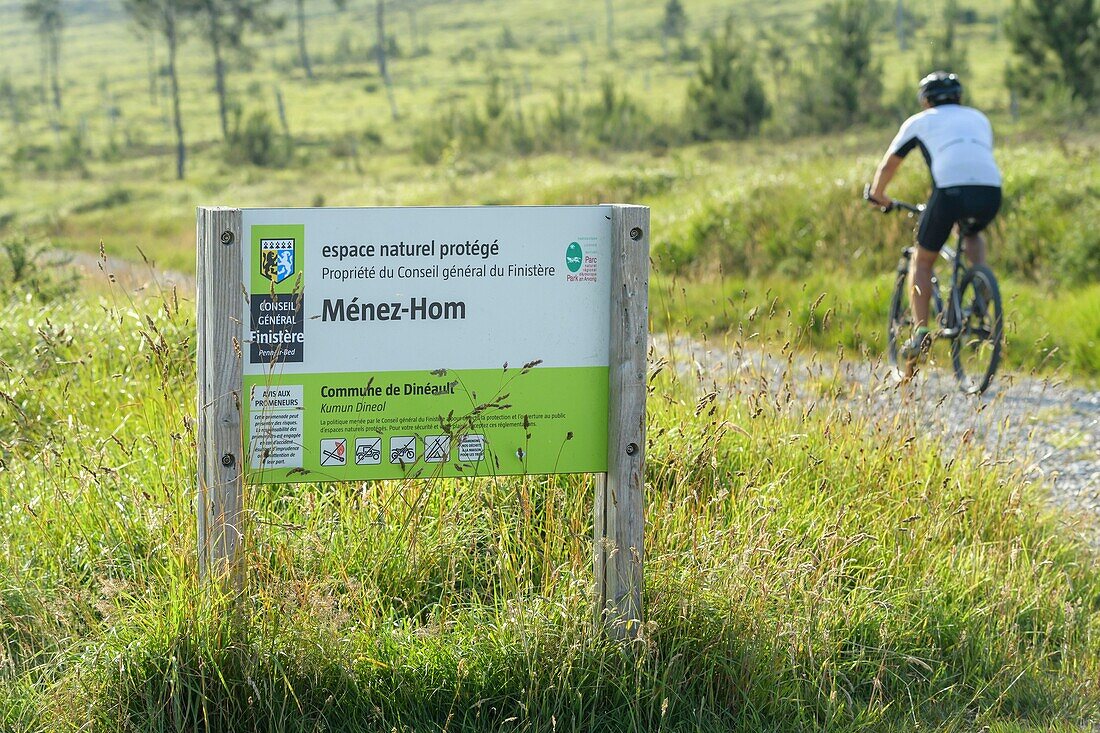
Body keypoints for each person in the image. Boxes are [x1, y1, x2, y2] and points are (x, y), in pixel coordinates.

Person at [867, 71, 1002, 366]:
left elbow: (890, 164)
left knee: (923, 259)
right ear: (959, 97)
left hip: (950, 191)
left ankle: (921, 331)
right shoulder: (979, 118)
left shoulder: (919, 121)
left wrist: (878, 193)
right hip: (991, 190)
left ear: (926, 101)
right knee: (970, 232)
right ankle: (980, 289)